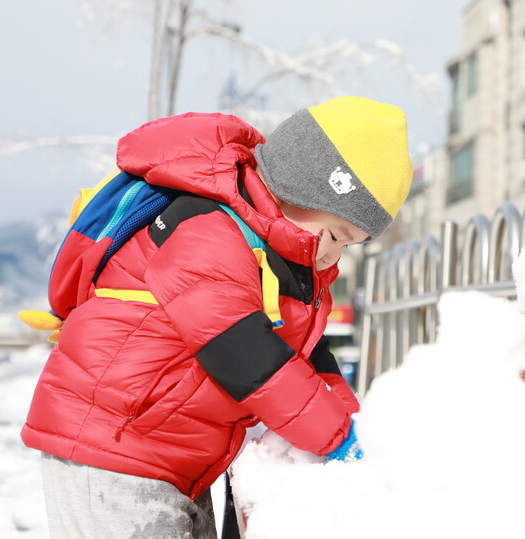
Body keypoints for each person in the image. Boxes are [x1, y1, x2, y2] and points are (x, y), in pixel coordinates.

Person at [21, 95, 413, 538]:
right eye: (337, 236)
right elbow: (240, 349)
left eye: (349, 246)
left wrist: (354, 425)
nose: (333, 256)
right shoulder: (209, 229)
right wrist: (337, 437)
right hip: (110, 449)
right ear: (306, 187)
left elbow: (307, 357)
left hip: (172, 458)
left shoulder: (278, 258)